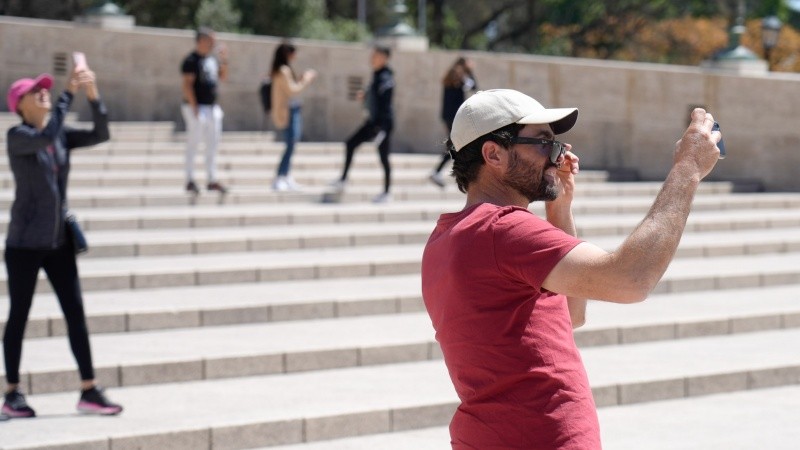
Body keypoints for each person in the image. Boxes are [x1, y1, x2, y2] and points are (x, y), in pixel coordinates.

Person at [421, 89, 721, 448]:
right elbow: (631, 279)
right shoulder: (503, 229)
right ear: (493, 154)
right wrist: (687, 170)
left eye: (558, 145)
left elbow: (569, 314)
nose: (558, 156)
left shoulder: (449, 235)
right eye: (544, 144)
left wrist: (559, 211)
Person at [3, 67, 124, 417]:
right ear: (20, 105)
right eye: (35, 92)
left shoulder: (59, 134)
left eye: (46, 90)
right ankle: (11, 394)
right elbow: (45, 136)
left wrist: (93, 94)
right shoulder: (18, 136)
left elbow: (101, 134)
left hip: (58, 242)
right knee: (19, 316)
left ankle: (89, 389)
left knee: (75, 314)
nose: (45, 93)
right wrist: (66, 95)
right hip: (24, 244)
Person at [331, 45, 395, 203]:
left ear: (384, 57)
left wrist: (382, 128)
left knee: (383, 157)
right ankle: (344, 179)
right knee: (350, 144)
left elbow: (384, 102)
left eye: (376, 55)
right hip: (373, 123)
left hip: (381, 125)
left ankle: (386, 193)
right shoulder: (378, 75)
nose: (372, 58)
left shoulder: (386, 77)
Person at [181, 26, 228, 195]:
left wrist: (224, 59)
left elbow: (223, 77)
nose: (214, 43)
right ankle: (189, 179)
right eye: (211, 39)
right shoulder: (191, 60)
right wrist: (194, 107)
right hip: (196, 107)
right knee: (193, 144)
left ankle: (212, 179)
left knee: (213, 144)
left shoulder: (212, 60)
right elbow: (187, 85)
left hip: (212, 107)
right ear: (201, 40)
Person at [269, 42, 317, 191]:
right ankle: (280, 176)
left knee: (292, 143)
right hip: (288, 112)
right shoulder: (283, 70)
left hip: (292, 110)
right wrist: (306, 79)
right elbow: (293, 90)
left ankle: (286, 175)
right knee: (290, 143)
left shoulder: (283, 70)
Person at [429, 57, 478, 188]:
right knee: (455, 145)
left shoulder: (450, 75)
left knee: (454, 145)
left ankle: (438, 171)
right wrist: (471, 71)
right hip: (455, 116)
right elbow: (474, 87)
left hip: (447, 116)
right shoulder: (461, 75)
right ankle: (437, 171)